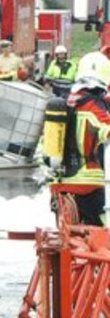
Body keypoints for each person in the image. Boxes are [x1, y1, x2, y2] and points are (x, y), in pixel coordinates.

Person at [55, 52, 110, 225]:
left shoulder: (69, 101)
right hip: (91, 185)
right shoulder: (93, 105)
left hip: (65, 183)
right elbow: (106, 129)